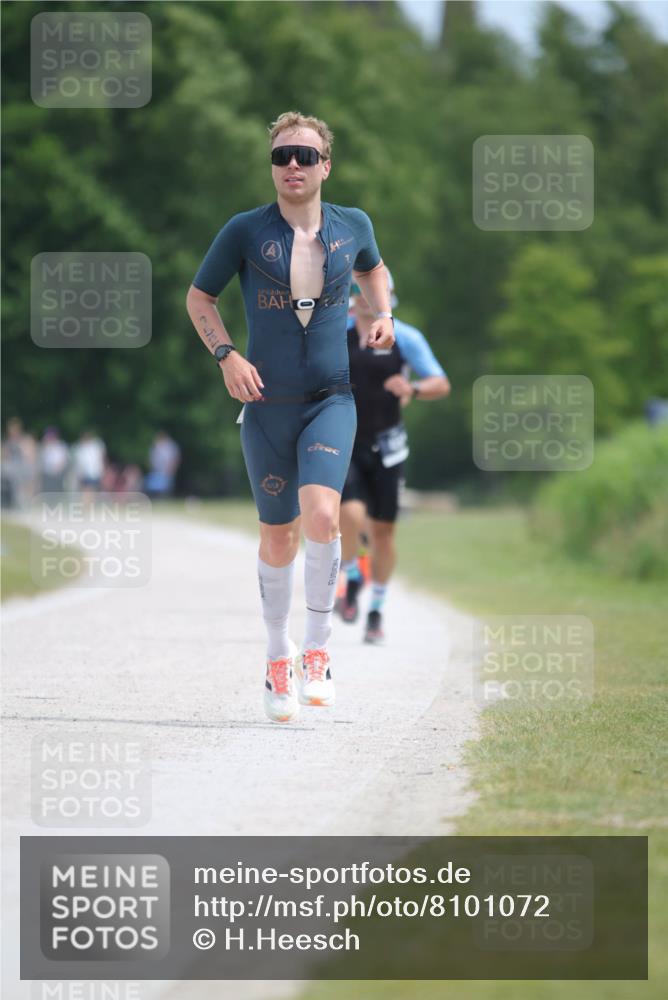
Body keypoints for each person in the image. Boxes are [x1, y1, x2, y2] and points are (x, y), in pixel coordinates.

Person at [186, 111, 394, 723]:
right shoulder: (246, 231)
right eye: (282, 157)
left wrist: (383, 314)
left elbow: (374, 269)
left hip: (332, 398)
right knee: (278, 537)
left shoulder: (352, 224)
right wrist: (226, 356)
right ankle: (278, 654)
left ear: (327, 164)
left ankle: (318, 651)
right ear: (272, 167)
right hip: (264, 405)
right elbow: (200, 296)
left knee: (324, 514)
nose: (294, 166)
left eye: (305, 155)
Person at [338, 270, 450, 643]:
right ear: (353, 297)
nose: (369, 300)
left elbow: (440, 382)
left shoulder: (407, 337)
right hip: (345, 440)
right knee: (349, 514)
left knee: (383, 532)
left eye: (378, 293)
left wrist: (413, 388)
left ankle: (376, 610)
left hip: (388, 445)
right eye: (364, 293)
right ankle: (353, 576)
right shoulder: (336, 332)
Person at [144, 431, 181, 498]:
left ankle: (164, 498)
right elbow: (151, 459)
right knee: (152, 487)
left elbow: (174, 459)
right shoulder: (155, 447)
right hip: (155, 471)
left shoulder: (170, 447)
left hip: (165, 471)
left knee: (165, 488)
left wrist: (171, 469)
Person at [72, 430, 106, 503]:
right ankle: (87, 505)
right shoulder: (79, 448)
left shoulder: (95, 446)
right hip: (85, 473)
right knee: (88, 490)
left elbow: (100, 458)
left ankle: (87, 505)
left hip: (94, 472)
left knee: (90, 490)